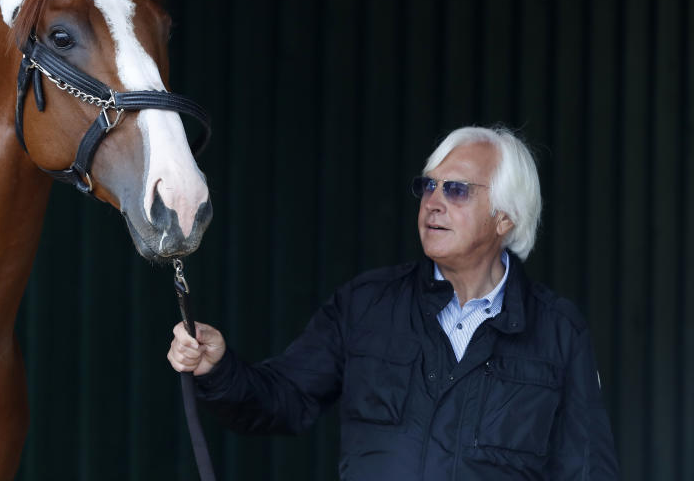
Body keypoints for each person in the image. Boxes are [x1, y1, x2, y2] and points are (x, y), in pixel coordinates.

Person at [168, 126, 618, 479]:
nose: (433, 203)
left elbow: (587, 471)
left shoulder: (558, 330)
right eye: (428, 186)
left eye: (456, 190)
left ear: (505, 215)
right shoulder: (366, 305)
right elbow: (282, 399)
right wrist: (218, 368)